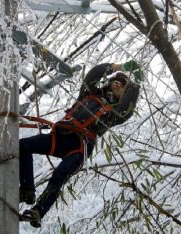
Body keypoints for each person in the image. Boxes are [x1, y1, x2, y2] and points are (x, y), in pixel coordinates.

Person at [19, 60, 143, 227]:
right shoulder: (89, 93)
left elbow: (127, 108)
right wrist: (118, 67)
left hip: (80, 146)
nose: (117, 84)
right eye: (116, 80)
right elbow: (93, 75)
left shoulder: (114, 114)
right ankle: (27, 190)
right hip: (61, 136)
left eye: (122, 85)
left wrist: (136, 84)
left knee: (60, 175)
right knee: (24, 145)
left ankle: (38, 211)